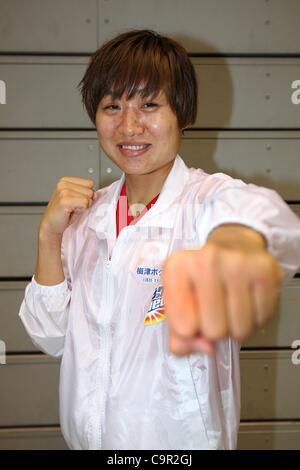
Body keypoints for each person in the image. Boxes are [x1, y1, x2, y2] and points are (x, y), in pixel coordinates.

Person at [19, 29, 300, 450]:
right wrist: (48, 235)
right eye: (112, 106)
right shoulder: (86, 217)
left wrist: (238, 241)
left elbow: (269, 222)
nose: (129, 126)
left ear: (182, 113)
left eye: (149, 104)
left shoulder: (206, 199)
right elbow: (51, 336)